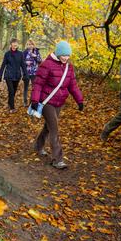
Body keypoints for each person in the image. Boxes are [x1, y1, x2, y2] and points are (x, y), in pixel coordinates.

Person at [30, 40, 84, 169]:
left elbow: (73, 86)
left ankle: (38, 146)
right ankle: (57, 159)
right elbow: (38, 84)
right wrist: (34, 100)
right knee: (54, 128)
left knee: (48, 127)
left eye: (68, 55)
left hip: (59, 102)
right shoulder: (46, 65)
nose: (66, 58)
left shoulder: (69, 67)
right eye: (63, 55)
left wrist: (79, 100)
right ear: (58, 53)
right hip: (46, 102)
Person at [0, 38, 28, 112]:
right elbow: (3, 65)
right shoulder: (7, 54)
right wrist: (0, 75)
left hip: (17, 75)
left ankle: (9, 102)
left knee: (13, 91)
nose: (15, 45)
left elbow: (23, 65)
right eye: (13, 43)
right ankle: (12, 107)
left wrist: (25, 74)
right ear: (11, 44)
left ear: (17, 45)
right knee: (11, 91)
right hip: (8, 75)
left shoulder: (20, 54)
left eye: (16, 43)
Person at [22, 40, 42, 107]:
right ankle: (25, 102)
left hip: (34, 72)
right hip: (26, 73)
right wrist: (25, 63)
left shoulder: (36, 52)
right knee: (26, 88)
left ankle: (32, 101)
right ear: (27, 45)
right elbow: (21, 62)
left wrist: (35, 56)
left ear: (33, 45)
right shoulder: (24, 52)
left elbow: (40, 61)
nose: (30, 46)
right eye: (28, 44)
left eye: (31, 44)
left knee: (34, 88)